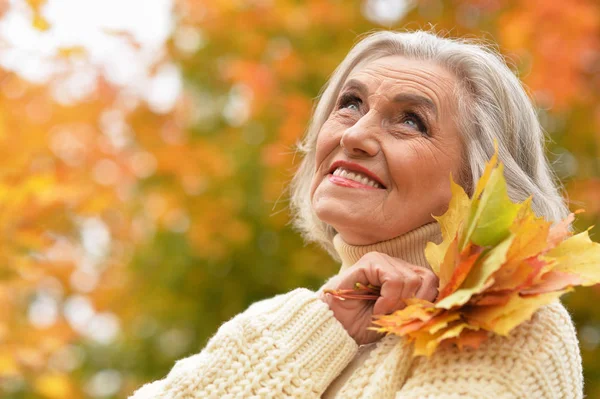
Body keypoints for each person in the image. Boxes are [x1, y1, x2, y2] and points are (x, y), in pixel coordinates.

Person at [129, 30, 583, 398]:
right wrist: (317, 332)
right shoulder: (279, 321)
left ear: (482, 182)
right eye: (351, 104)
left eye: (411, 120)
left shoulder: (507, 320)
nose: (357, 135)